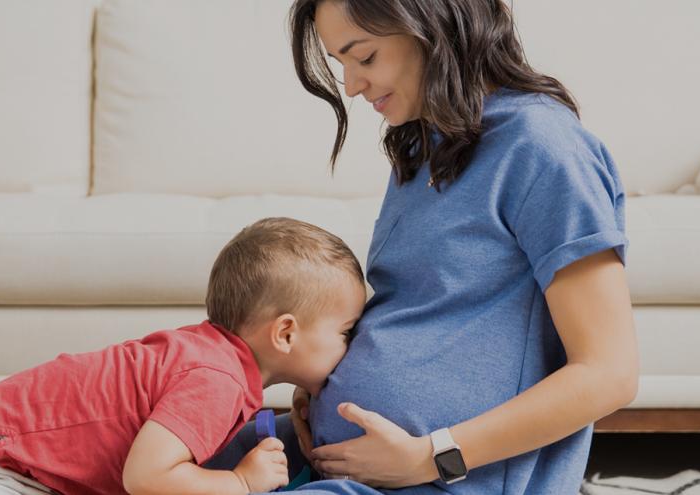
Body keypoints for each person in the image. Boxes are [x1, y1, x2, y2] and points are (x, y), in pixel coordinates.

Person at [205, 1, 639, 493]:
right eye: (340, 64)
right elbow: (421, 309)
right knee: (151, 451)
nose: (351, 86)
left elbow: (610, 373)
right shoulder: (426, 143)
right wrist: (319, 387)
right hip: (338, 460)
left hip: (439, 482)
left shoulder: (543, 147)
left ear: (433, 27)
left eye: (364, 58)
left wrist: (433, 457)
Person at [0, 217, 367, 495]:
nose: (353, 345)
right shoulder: (217, 379)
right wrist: (240, 482)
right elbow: (146, 479)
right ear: (285, 333)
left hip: (18, 455)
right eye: (346, 332)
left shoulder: (216, 360)